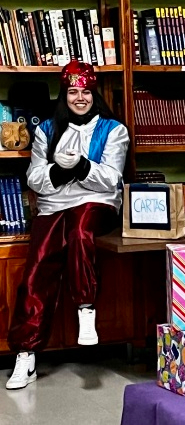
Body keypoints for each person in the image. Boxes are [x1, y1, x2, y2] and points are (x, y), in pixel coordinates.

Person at [6, 61, 130, 390]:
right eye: (73, 92)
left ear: (94, 94)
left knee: (80, 231)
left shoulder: (114, 130)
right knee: (37, 268)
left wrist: (81, 166)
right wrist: (57, 171)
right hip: (53, 207)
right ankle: (26, 351)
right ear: (65, 95)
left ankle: (85, 309)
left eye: (86, 92)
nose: (79, 98)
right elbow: (34, 178)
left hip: (97, 205)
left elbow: (111, 179)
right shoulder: (47, 129)